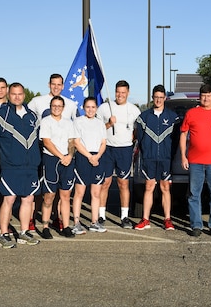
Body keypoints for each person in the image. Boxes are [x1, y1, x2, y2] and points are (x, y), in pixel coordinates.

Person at [0, 82, 41, 248]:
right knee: (9, 199)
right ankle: (3, 233)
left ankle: (23, 233)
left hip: (30, 167)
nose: (17, 97)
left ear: (24, 95)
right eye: (14, 94)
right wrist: (3, 156)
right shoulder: (1, 115)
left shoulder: (33, 116)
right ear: (9, 94)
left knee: (28, 199)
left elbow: (38, 141)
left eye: (20, 94)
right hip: (10, 166)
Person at [180, 84, 211, 237]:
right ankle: (196, 225)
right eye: (203, 95)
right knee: (194, 194)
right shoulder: (191, 113)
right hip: (195, 161)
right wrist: (183, 156)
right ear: (199, 97)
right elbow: (183, 134)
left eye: (209, 95)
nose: (206, 98)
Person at [96, 80, 141, 229]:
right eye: (118, 92)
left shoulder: (134, 110)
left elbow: (136, 131)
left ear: (128, 93)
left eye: (123, 92)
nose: (120, 95)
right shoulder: (104, 108)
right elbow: (95, 129)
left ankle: (124, 217)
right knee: (105, 183)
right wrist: (109, 124)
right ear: (114, 92)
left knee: (123, 183)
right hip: (107, 149)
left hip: (125, 150)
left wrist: (131, 140)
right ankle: (101, 215)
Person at [134, 85, 179, 231]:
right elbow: (139, 138)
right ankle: (145, 219)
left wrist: (169, 153)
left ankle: (167, 219)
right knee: (149, 186)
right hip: (149, 158)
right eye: (156, 97)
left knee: (165, 187)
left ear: (165, 98)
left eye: (161, 97)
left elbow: (177, 139)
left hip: (165, 158)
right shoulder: (144, 117)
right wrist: (146, 152)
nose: (158, 100)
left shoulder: (173, 117)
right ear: (153, 98)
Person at [38, 95, 77, 239]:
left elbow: (72, 142)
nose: (56, 108)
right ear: (50, 106)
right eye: (54, 106)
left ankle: (66, 226)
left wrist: (69, 156)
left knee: (65, 196)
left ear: (63, 108)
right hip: (51, 160)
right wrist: (61, 156)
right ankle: (45, 226)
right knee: (49, 196)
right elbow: (47, 142)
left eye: (59, 106)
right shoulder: (46, 121)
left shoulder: (69, 123)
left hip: (67, 161)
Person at [73, 97, 109, 233]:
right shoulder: (78, 122)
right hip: (83, 158)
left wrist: (97, 156)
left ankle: (94, 222)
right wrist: (89, 156)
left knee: (96, 193)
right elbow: (76, 142)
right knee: (79, 193)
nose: (90, 110)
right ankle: (76, 223)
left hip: (97, 159)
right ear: (83, 108)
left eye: (93, 107)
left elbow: (103, 142)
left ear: (96, 108)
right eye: (88, 107)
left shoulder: (100, 123)